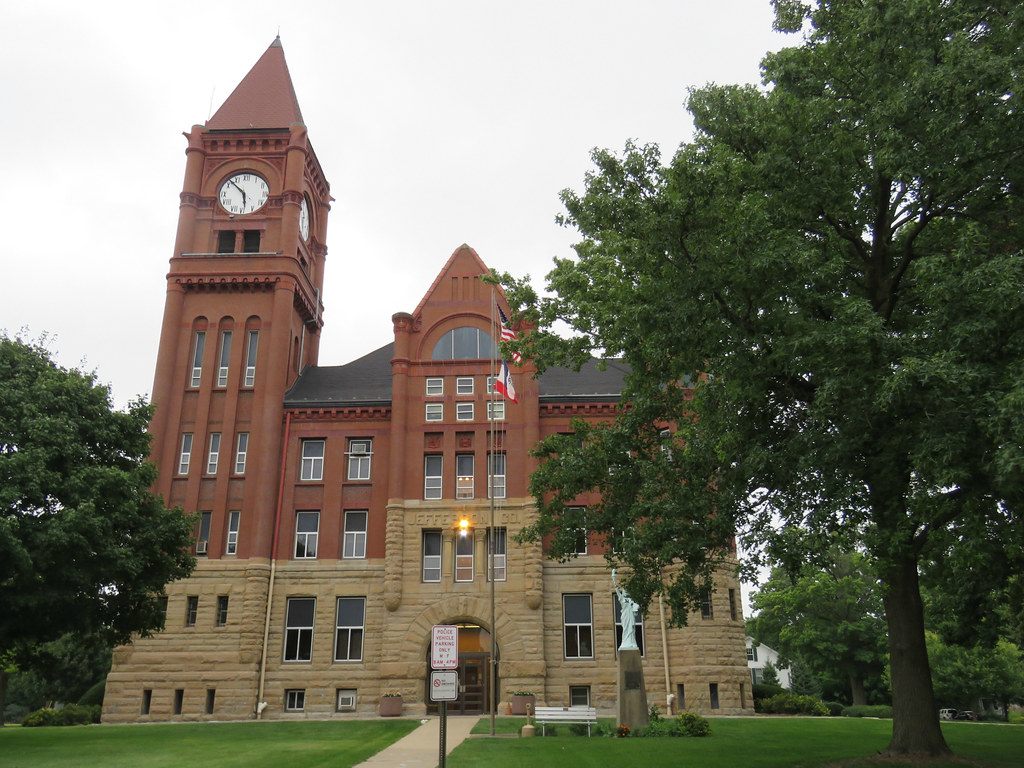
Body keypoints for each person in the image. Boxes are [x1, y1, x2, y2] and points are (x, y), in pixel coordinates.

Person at [612, 569, 640, 651]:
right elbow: (616, 589)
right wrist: (613, 577)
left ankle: (632, 643)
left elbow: (635, 612)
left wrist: (636, 609)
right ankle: (625, 643)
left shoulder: (632, 600)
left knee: (632, 629)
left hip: (631, 617)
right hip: (625, 616)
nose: (626, 591)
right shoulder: (622, 599)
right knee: (626, 629)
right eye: (625, 590)